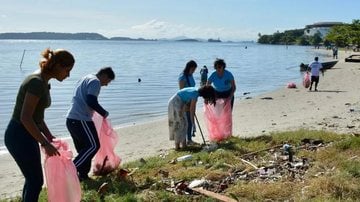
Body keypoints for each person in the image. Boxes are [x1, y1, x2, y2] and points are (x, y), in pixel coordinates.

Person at [4, 48, 75, 201]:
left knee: (32, 179)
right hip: (19, 134)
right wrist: (44, 143)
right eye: (67, 70)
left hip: (26, 134)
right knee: (35, 181)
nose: (68, 75)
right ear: (57, 66)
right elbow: (25, 118)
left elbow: (38, 117)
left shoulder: (43, 82)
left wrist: (49, 136)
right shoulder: (36, 82)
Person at [66, 67, 115, 181]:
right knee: (93, 146)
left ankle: (82, 176)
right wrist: (104, 113)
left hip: (72, 119)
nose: (106, 85)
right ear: (104, 75)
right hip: (81, 119)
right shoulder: (95, 81)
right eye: (108, 81)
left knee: (84, 149)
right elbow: (91, 101)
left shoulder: (86, 78)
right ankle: (69, 170)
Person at [168, 85, 216, 150]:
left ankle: (184, 145)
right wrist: (193, 122)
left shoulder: (196, 91)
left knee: (184, 124)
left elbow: (189, 104)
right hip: (175, 103)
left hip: (180, 102)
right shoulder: (195, 94)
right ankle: (177, 147)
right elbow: (192, 110)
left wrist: (188, 110)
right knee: (179, 124)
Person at [178, 60, 197, 145]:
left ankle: (189, 139)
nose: (193, 71)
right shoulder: (182, 77)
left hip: (191, 100)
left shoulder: (190, 75)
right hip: (185, 102)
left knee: (190, 121)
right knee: (187, 122)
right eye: (193, 69)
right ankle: (185, 141)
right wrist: (185, 103)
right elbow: (181, 91)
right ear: (190, 67)